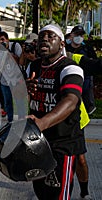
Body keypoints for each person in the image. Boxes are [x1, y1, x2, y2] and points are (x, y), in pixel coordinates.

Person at [26, 24, 85, 200]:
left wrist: (42, 123)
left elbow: (70, 100)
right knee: (41, 190)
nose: (44, 39)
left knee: (58, 194)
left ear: (61, 44)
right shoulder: (33, 66)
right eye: (42, 36)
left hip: (62, 141)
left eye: (51, 36)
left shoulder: (69, 68)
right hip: (38, 141)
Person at [65, 25, 95, 200]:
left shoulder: (72, 56)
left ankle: (84, 192)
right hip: (54, 120)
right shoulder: (40, 64)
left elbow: (95, 65)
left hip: (76, 115)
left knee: (79, 158)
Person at [66, 25, 97, 115]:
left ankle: (88, 109)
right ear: (71, 35)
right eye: (77, 34)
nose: (79, 37)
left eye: (81, 35)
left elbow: (94, 62)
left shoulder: (87, 48)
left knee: (86, 95)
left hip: (86, 77)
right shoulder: (66, 48)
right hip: (70, 76)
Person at [0, 31, 23, 122]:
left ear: (7, 40)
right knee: (8, 102)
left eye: (2, 39)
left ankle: (21, 120)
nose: (1, 41)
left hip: (16, 80)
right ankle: (10, 120)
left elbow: (20, 61)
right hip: (5, 81)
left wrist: (8, 52)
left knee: (19, 101)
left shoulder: (15, 46)